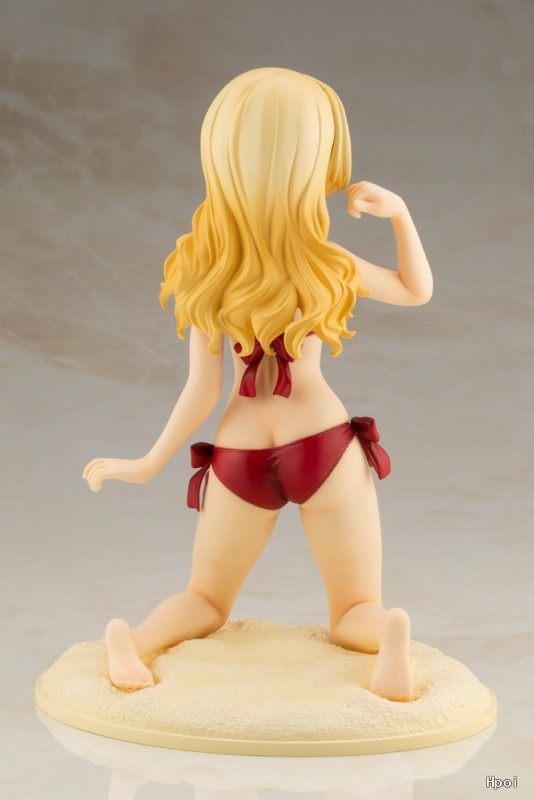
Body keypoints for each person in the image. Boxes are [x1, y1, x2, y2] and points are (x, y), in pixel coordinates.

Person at [83, 68, 433, 702]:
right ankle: (388, 640)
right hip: (322, 444)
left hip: (239, 454)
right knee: (355, 607)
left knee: (204, 599)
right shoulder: (326, 262)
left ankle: (133, 640)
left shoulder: (206, 267)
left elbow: (201, 388)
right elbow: (416, 291)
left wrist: (148, 461)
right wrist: (401, 215)